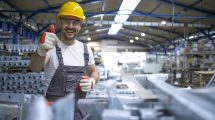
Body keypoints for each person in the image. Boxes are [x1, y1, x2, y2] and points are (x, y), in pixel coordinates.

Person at [30, 1, 99, 119]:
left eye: (75, 22)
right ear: (60, 21)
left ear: (81, 24)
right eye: (67, 21)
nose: (71, 26)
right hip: (53, 113)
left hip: (78, 114)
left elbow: (94, 71)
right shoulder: (51, 46)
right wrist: (41, 51)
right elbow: (34, 68)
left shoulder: (86, 49)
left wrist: (92, 80)